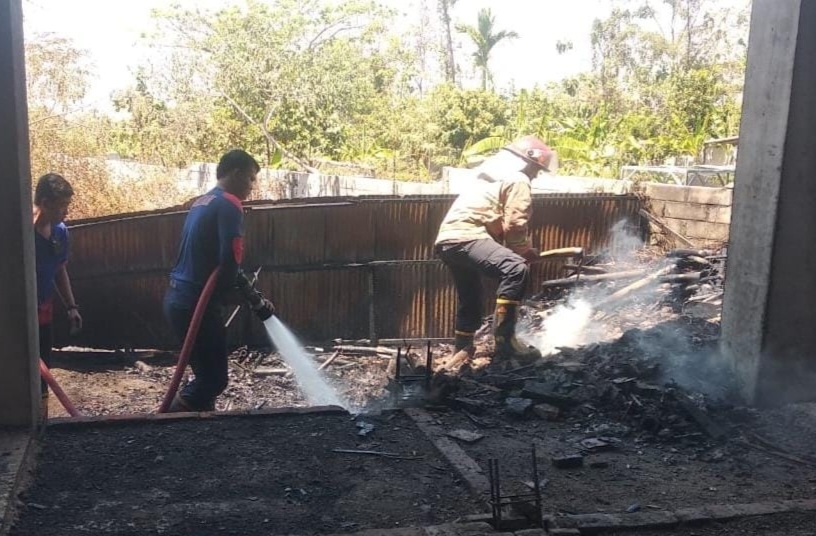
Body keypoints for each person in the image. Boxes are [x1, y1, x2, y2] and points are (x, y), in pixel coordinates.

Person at [163, 149, 275, 412]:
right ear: (235, 174)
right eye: (250, 179)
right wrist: (242, 297)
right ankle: (165, 424)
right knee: (213, 380)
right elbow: (230, 258)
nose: (252, 187)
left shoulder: (202, 202)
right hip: (195, 303)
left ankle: (202, 438)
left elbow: (214, 260)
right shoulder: (229, 204)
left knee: (206, 376)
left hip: (178, 299)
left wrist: (248, 295)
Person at [434, 135, 553, 366]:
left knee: (471, 294)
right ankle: (506, 342)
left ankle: (462, 348)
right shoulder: (518, 179)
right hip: (468, 237)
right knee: (515, 269)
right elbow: (515, 224)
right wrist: (524, 251)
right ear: (526, 162)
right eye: (536, 169)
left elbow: (495, 223)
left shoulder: (488, 179)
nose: (536, 174)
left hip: (447, 242)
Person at [33, 173, 83, 419]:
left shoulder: (60, 233)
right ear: (43, 202)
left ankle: (40, 422)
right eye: (62, 205)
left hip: (44, 311)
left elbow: (60, 268)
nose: (66, 212)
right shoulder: (20, 233)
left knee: (43, 368)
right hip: (19, 315)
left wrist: (71, 306)